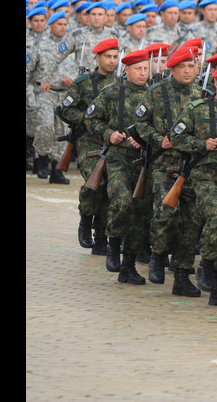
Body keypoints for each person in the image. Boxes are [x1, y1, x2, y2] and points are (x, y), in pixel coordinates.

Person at [168, 65, 217, 307]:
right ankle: (200, 269)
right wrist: (201, 144)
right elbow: (175, 137)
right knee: (214, 220)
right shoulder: (197, 109)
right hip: (202, 176)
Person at [134, 47, 203, 294]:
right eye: (182, 67)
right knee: (166, 214)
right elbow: (139, 123)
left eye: (191, 66)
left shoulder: (201, 95)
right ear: (171, 69)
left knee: (191, 221)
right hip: (165, 163)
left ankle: (182, 274)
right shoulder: (156, 93)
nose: (188, 70)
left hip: (192, 165)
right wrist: (156, 139)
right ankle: (158, 255)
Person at [84, 49, 151, 285]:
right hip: (118, 157)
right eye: (138, 69)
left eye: (146, 68)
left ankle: (129, 265)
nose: (143, 73)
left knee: (140, 211)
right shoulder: (112, 93)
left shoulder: (154, 96)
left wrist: (145, 138)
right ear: (127, 70)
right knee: (122, 200)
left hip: (144, 160)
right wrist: (108, 134)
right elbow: (90, 118)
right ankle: (113, 244)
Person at [57, 37, 120, 252]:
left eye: (115, 56)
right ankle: (85, 219)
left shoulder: (121, 81)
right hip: (88, 140)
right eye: (108, 57)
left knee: (111, 186)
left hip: (113, 141)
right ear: (98, 57)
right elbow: (65, 109)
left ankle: (101, 236)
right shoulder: (83, 82)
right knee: (95, 185)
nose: (112, 61)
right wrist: (88, 118)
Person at [27, 11, 79, 184]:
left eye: (65, 24)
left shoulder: (71, 46)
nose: (63, 27)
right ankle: (41, 157)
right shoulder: (39, 44)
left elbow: (79, 66)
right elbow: (28, 68)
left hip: (65, 94)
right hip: (45, 93)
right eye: (59, 24)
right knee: (46, 126)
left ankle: (57, 169)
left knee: (63, 132)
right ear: (51, 25)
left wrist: (73, 79)